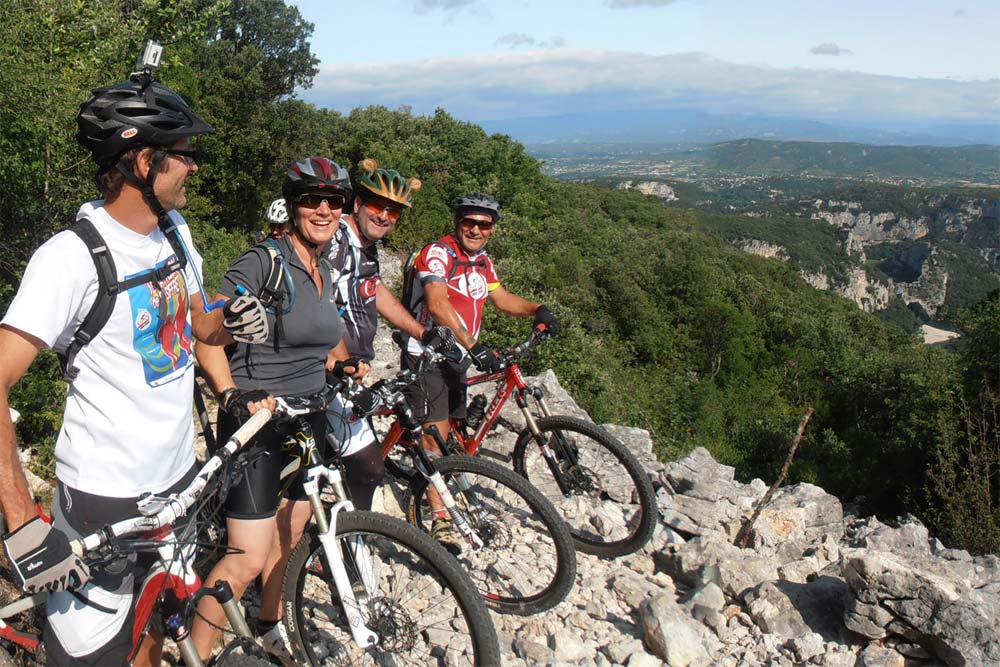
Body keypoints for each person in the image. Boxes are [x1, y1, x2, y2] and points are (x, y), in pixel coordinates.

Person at [0, 72, 236, 666]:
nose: (194, 167)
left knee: (156, 629)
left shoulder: (176, 235)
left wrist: (234, 324)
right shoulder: (70, 258)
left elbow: (197, 328)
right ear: (143, 161)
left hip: (178, 483)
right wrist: (24, 521)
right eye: (184, 155)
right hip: (104, 500)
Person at [190, 157, 352, 665]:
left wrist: (346, 367)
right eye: (311, 199)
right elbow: (207, 331)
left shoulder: (325, 267)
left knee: (294, 528)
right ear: (295, 204)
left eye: (334, 201)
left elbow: (321, 340)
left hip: (309, 417)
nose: (323, 209)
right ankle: (196, 652)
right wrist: (230, 391)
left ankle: (271, 620)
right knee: (245, 559)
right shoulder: (264, 261)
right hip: (257, 423)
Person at [401, 193, 560, 549]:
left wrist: (539, 309)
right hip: (427, 354)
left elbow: (501, 298)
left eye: (484, 224)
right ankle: (437, 516)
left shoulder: (482, 261)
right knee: (435, 439)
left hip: (457, 355)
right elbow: (437, 303)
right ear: (457, 222)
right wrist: (474, 346)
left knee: (449, 428)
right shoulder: (439, 253)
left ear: (492, 230)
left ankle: (439, 475)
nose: (475, 229)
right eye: (468, 222)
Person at [323, 158, 436, 512]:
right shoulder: (334, 239)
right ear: (357, 203)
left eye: (395, 212)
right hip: (325, 370)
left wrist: (421, 330)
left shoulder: (366, 246)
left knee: (327, 458)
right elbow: (317, 300)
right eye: (377, 206)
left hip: (349, 371)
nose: (385, 216)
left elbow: (375, 291)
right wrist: (341, 358)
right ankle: (349, 536)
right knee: (370, 467)